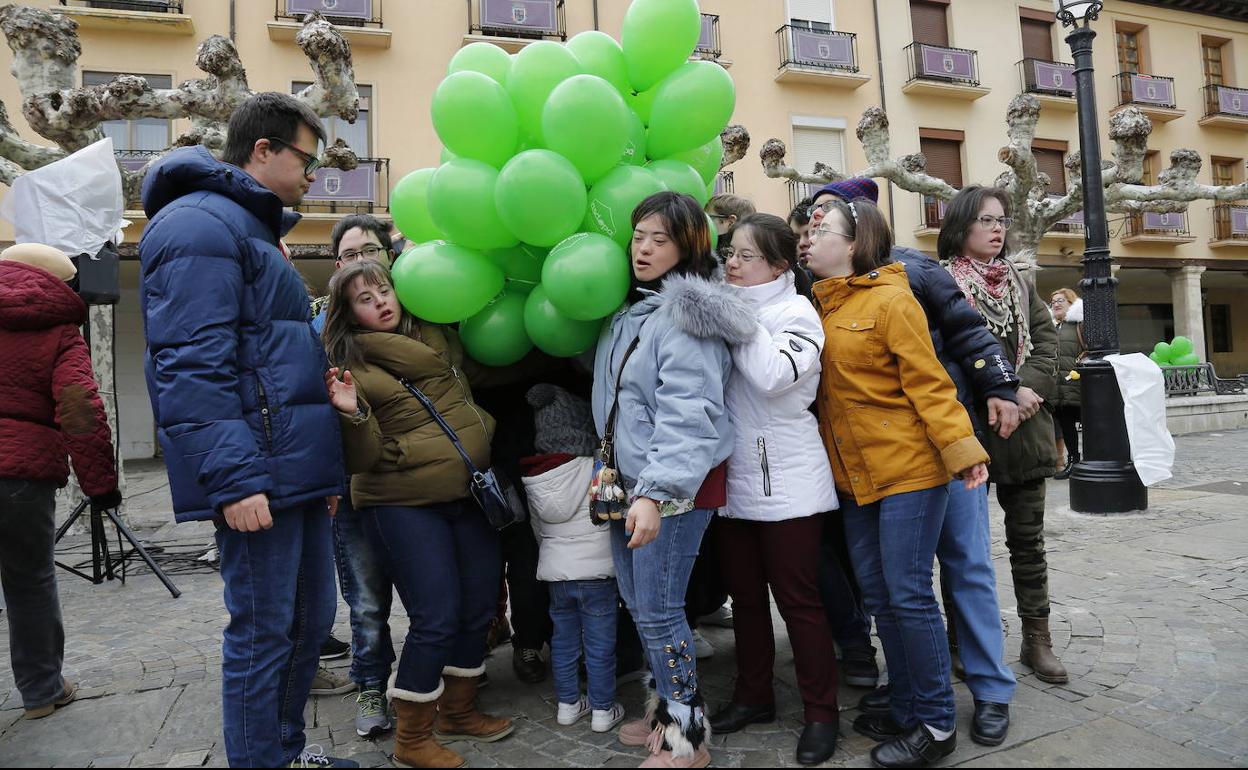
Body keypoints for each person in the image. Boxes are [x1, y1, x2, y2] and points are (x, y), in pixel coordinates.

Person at [139, 93, 353, 769]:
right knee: (264, 632)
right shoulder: (198, 226)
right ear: (263, 150)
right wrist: (232, 476)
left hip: (293, 468)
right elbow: (187, 364)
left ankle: (283, 752)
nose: (315, 175)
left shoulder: (250, 228)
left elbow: (269, 352)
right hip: (256, 471)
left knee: (308, 624)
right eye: (306, 159)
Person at [810, 181, 1020, 748]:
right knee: (884, 595)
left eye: (822, 224)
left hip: (919, 460)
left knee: (942, 577)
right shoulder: (821, 298)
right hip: (859, 475)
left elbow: (936, 374)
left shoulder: (900, 286)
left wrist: (967, 443)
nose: (810, 232)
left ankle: (949, 711)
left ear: (858, 239)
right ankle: (907, 701)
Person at [321, 260, 514, 768]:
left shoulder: (438, 337)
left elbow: (486, 373)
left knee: (478, 607)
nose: (380, 301)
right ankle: (412, 738)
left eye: (383, 289)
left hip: (468, 492)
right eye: (365, 298)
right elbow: (359, 460)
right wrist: (352, 414)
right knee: (436, 615)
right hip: (401, 502)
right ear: (348, 313)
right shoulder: (351, 363)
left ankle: (458, 710)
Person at [596, 192, 754, 768]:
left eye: (659, 239)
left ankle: (688, 738)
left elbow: (690, 413)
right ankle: (663, 713)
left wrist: (656, 493)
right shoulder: (640, 308)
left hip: (672, 487)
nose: (643, 248)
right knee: (641, 604)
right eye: (639, 236)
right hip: (630, 480)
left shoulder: (687, 316)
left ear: (689, 245)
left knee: (660, 608)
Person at [709, 214, 841, 766]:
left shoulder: (797, 313)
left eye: (746, 256)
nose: (732, 264)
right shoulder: (724, 306)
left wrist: (734, 317)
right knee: (744, 601)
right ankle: (753, 695)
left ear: (780, 265)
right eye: (730, 254)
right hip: (730, 478)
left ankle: (821, 713)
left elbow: (769, 375)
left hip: (787, 480)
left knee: (799, 602)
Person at [939, 186, 1067, 686]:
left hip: (1025, 432)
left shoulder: (1021, 282)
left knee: (1028, 544)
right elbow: (941, 357)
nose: (998, 229)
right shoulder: (939, 284)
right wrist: (996, 394)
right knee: (961, 548)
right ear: (962, 226)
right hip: (969, 431)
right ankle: (960, 641)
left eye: (1002, 220)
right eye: (987, 220)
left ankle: (1038, 640)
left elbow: (1049, 344)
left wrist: (1019, 393)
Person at [0, 244, 120, 722]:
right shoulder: (58, 331)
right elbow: (81, 412)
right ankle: (42, 691)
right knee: (29, 582)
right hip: (22, 475)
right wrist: (100, 486)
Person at [313, 214, 399, 735]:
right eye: (348, 257)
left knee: (431, 593)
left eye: (370, 251)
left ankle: (432, 680)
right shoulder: (320, 333)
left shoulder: (421, 316)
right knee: (367, 602)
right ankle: (371, 688)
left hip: (417, 486)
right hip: (354, 492)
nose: (360, 263)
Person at [521, 383, 626, 734]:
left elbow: (538, 531)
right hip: (597, 574)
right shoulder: (599, 465)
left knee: (564, 643)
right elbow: (614, 516)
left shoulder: (534, 474)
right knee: (600, 645)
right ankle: (602, 710)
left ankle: (568, 705)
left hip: (556, 575)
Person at [1050, 288, 1085, 480]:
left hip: (1078, 385)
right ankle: (1074, 461)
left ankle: (1092, 460)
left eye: (1060, 300)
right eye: (1053, 301)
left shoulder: (1080, 325)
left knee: (1087, 424)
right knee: (1066, 426)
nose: (1055, 303)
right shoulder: (1053, 327)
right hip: (1059, 388)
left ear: (1071, 303)